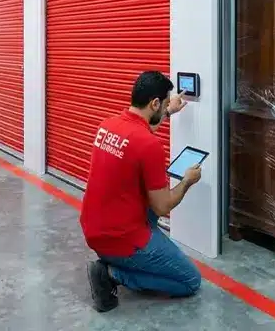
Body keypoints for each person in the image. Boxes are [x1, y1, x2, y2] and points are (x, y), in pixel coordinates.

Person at [80, 71, 203, 312]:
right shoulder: (150, 145)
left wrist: (168, 112)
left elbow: (138, 137)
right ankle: (112, 273)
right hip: (119, 237)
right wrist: (187, 181)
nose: (166, 108)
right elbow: (163, 206)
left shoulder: (108, 125)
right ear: (154, 103)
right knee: (190, 280)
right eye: (165, 103)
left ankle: (120, 260)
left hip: (93, 228)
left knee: (148, 196)